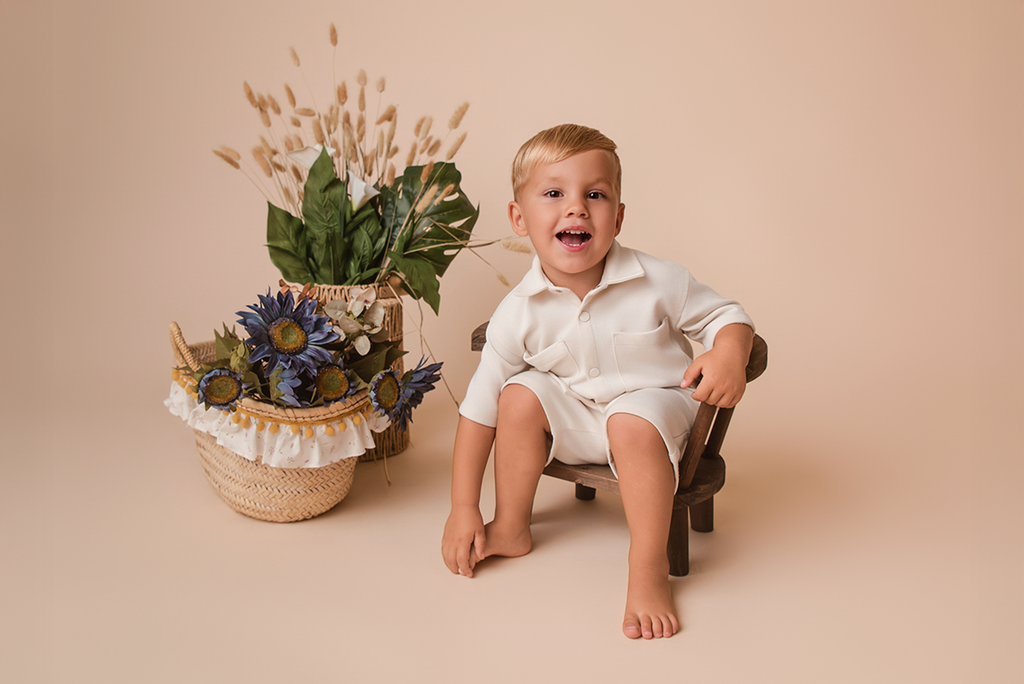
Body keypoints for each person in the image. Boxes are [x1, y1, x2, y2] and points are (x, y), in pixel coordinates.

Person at [441, 124, 754, 639]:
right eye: (553, 193)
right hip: (580, 419)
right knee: (516, 395)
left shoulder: (659, 279)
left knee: (630, 419)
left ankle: (648, 567)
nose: (576, 208)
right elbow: (478, 412)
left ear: (619, 216)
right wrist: (462, 507)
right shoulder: (516, 313)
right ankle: (511, 525)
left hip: (656, 420)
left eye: (595, 194)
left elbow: (728, 314)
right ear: (519, 218)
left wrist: (729, 351)